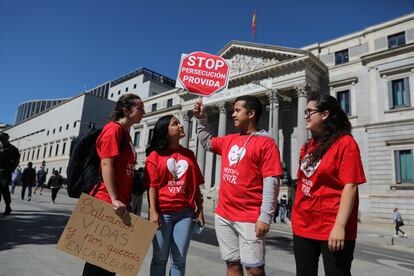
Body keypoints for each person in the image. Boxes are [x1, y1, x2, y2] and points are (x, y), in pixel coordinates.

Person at [194, 96, 283, 276]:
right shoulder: (229, 140)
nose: (232, 114)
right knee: (232, 265)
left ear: (251, 114)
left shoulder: (266, 143)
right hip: (224, 216)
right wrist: (202, 119)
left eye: (237, 110)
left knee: (254, 269)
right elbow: (206, 142)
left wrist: (265, 216)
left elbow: (271, 180)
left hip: (250, 218)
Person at [291, 93, 366, 276]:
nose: (305, 116)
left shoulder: (346, 143)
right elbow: (303, 183)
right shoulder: (307, 146)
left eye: (309, 112)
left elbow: (351, 186)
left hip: (332, 226)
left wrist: (340, 226)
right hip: (303, 224)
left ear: (324, 115)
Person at [82, 93, 145, 276]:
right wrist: (115, 198)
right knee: (97, 261)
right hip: (106, 201)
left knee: (111, 262)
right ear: (126, 109)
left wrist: (126, 200)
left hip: (120, 203)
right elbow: (106, 163)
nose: (144, 112)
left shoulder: (126, 133)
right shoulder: (113, 130)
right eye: (140, 108)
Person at [145, 115, 204, 276]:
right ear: (165, 131)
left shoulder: (189, 154)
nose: (180, 125)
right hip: (162, 213)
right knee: (160, 258)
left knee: (179, 259)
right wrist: (153, 211)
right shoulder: (154, 156)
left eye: (180, 122)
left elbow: (195, 184)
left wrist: (200, 209)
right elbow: (152, 187)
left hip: (185, 213)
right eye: (175, 123)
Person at [0, 132, 20, 215]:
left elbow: (17, 161)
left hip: (6, 172)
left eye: (3, 139)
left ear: (7, 138)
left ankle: (8, 206)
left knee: (4, 188)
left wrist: (11, 169)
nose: (1, 140)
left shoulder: (13, 149)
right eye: (0, 139)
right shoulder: (0, 148)